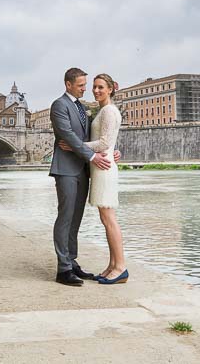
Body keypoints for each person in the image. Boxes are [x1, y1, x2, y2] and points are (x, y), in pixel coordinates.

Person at [48, 67, 121, 286]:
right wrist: (92, 156)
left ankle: (71, 261)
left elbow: (100, 135)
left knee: (76, 218)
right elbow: (67, 135)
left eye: (85, 85)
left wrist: (112, 151)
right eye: (81, 85)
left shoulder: (81, 107)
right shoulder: (59, 105)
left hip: (83, 169)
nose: (85, 89)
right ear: (68, 84)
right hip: (66, 169)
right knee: (65, 216)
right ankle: (63, 269)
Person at [81, 73, 127, 284]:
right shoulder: (104, 110)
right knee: (106, 219)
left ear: (110, 89)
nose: (96, 90)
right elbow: (109, 142)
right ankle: (112, 265)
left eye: (101, 87)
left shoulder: (109, 110)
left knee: (109, 219)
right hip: (102, 166)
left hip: (104, 167)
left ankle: (120, 267)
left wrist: (76, 146)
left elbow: (104, 143)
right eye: (95, 87)